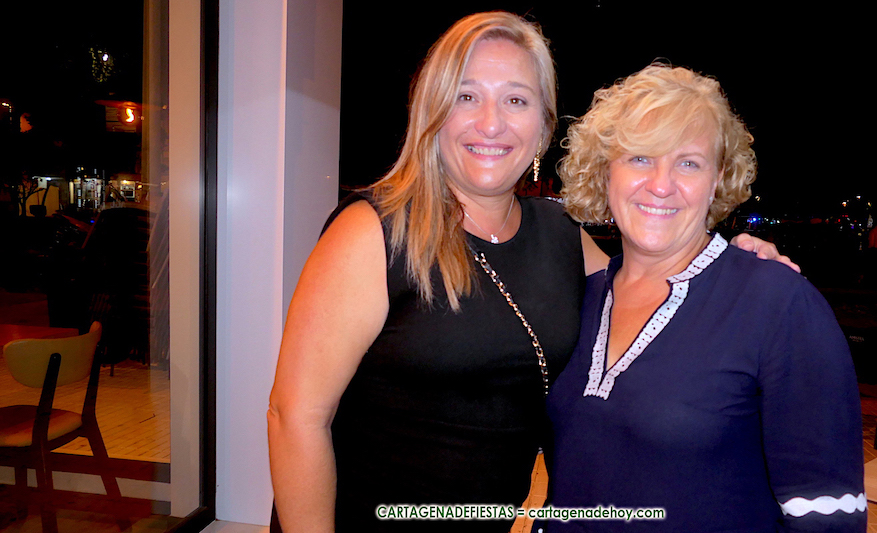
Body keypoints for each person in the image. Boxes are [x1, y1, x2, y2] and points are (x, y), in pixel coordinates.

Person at [268, 13, 792, 532]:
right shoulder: (374, 232)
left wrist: (737, 266)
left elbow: (655, 290)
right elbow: (295, 418)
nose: (491, 123)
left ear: (543, 124)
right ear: (432, 110)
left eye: (516, 100)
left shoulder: (559, 234)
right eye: (466, 96)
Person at [546, 64, 865, 532]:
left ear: (718, 179)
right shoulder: (579, 298)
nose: (661, 184)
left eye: (689, 163)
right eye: (640, 157)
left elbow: (829, 518)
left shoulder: (778, 303)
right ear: (603, 171)